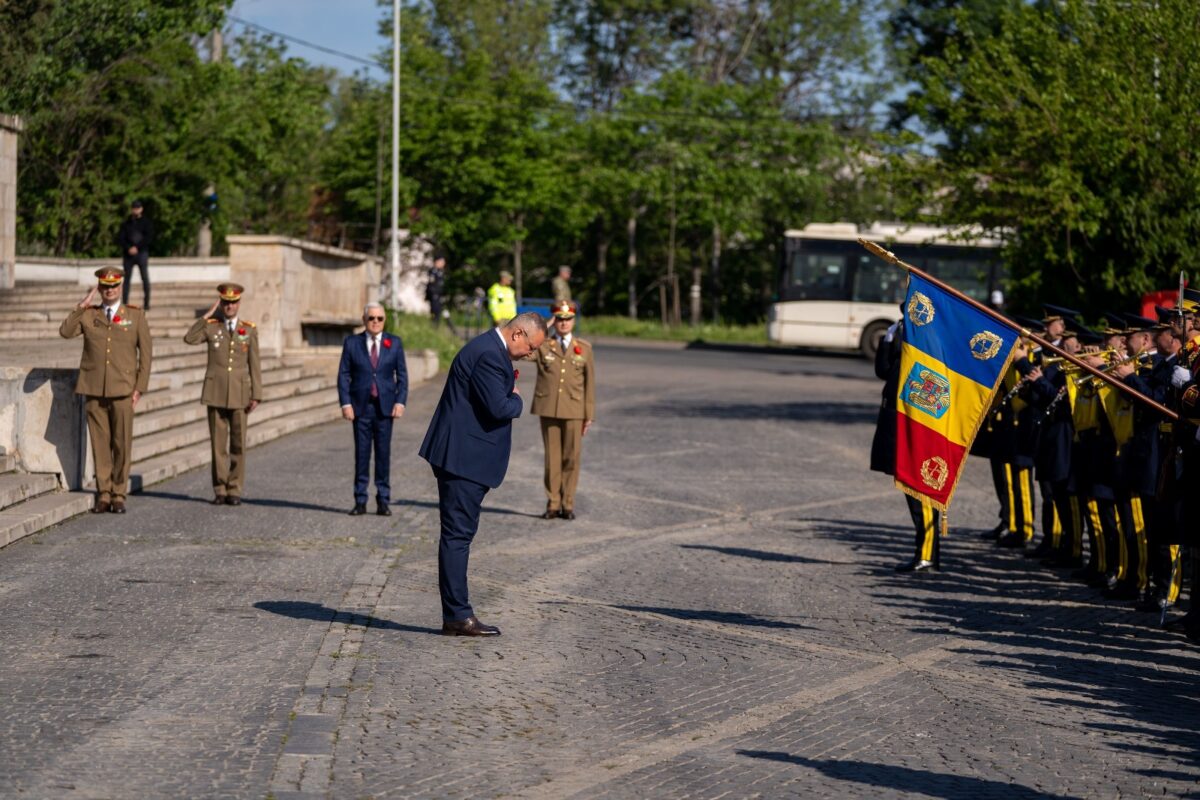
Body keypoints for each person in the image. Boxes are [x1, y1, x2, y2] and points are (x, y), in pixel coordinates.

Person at [419, 312, 546, 636]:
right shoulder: (489, 355)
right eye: (531, 347)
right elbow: (499, 408)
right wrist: (516, 399)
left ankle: (456, 614)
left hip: (463, 457)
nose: (531, 355)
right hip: (463, 460)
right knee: (457, 536)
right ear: (518, 334)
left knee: (458, 535)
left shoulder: (489, 348)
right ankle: (457, 616)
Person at [59, 267, 152, 513]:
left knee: (121, 444)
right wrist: (81, 305)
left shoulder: (135, 316)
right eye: (105, 286)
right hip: (94, 388)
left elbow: (147, 355)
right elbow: (65, 332)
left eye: (113, 286)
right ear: (99, 288)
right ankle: (104, 493)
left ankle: (119, 493)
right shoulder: (89, 315)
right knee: (100, 444)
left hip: (123, 390)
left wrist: (139, 388)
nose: (109, 290)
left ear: (120, 287)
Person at [868, 313, 941, 573]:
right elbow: (883, 371)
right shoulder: (902, 354)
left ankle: (928, 554)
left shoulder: (927, 355)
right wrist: (887, 341)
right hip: (896, 423)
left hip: (918, 428)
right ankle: (925, 551)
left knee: (921, 490)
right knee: (910, 489)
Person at [183, 283, 263, 505]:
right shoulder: (211, 327)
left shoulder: (248, 329)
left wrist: (256, 393)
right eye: (226, 302)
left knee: (238, 444)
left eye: (233, 302)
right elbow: (189, 339)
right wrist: (207, 315)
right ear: (221, 303)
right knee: (218, 446)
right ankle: (220, 489)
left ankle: (235, 489)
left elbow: (254, 363)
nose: (229, 306)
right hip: (216, 392)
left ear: (239, 303)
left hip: (239, 393)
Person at [338, 303, 408, 516]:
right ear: (364, 320)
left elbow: (402, 376)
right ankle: (360, 500)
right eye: (371, 318)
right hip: (361, 407)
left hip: (385, 408)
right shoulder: (352, 343)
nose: (375, 322)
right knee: (362, 454)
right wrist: (346, 403)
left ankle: (383, 500)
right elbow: (343, 374)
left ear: (384, 320)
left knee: (383, 455)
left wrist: (400, 401)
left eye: (379, 318)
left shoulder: (394, 343)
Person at [532, 300, 595, 520]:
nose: (564, 323)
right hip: (548, 408)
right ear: (554, 320)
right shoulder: (543, 345)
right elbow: (526, 349)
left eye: (568, 319)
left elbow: (590, 384)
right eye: (559, 319)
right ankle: (553, 503)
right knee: (552, 459)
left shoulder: (584, 348)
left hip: (575, 410)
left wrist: (589, 415)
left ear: (573, 320)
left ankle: (568, 503)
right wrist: (544, 328)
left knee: (572, 458)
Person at [117, 200, 154, 311]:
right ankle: (125, 302)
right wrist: (129, 248)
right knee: (126, 280)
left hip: (141, 253)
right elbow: (121, 238)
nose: (135, 210)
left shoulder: (146, 223)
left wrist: (137, 247)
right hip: (128, 255)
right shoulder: (126, 223)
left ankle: (147, 303)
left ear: (141, 209)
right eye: (134, 208)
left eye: (137, 208)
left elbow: (148, 238)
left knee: (144, 278)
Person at [426, 256, 448, 327]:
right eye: (442, 262)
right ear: (437, 262)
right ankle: (433, 327)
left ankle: (436, 326)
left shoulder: (441, 271)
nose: (443, 264)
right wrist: (434, 295)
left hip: (439, 296)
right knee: (434, 312)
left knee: (439, 313)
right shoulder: (433, 271)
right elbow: (431, 285)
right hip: (434, 296)